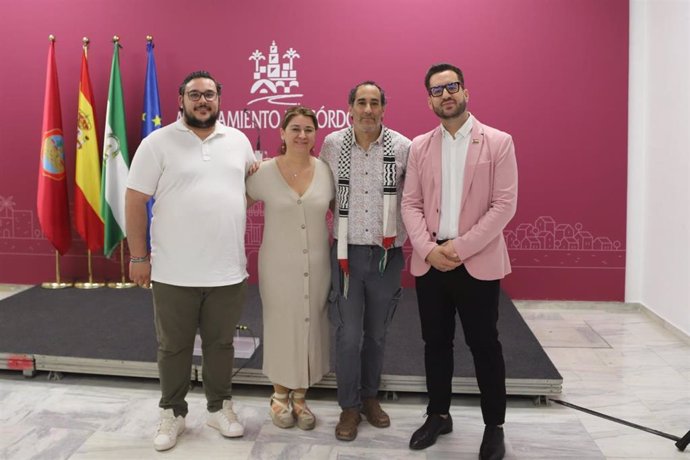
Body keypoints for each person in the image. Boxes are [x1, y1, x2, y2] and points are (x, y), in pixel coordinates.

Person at [125, 70, 256, 452]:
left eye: (210, 95)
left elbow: (246, 189)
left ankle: (219, 408)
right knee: (173, 346)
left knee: (221, 344)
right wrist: (137, 256)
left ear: (220, 99)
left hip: (227, 269)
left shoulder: (239, 141)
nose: (203, 101)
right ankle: (173, 412)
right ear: (181, 99)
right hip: (172, 270)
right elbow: (135, 199)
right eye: (195, 95)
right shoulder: (157, 143)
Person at [401, 63, 518, 458]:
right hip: (431, 261)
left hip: (476, 261)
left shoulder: (498, 142)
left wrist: (461, 248)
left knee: (485, 345)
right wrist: (429, 249)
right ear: (429, 99)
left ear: (465, 91)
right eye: (437, 90)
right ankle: (438, 415)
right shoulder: (419, 146)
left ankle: (493, 427)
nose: (445, 94)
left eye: (452, 87)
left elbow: (504, 205)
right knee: (435, 343)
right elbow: (411, 203)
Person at [320, 81, 411, 441]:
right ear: (350, 107)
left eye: (375, 103)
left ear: (384, 109)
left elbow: (414, 196)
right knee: (348, 335)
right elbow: (321, 191)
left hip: (387, 257)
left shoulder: (403, 147)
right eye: (362, 102)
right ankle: (348, 407)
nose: (368, 110)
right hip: (346, 256)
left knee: (376, 334)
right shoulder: (331, 144)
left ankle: (370, 397)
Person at [245, 106, 334, 430]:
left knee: (312, 324)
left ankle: (300, 396)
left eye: (308, 129)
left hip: (318, 264)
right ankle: (279, 395)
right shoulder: (263, 172)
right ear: (282, 133)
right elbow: (232, 202)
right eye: (295, 128)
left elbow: (343, 212)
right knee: (282, 324)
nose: (302, 135)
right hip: (278, 266)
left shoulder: (326, 170)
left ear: (315, 135)